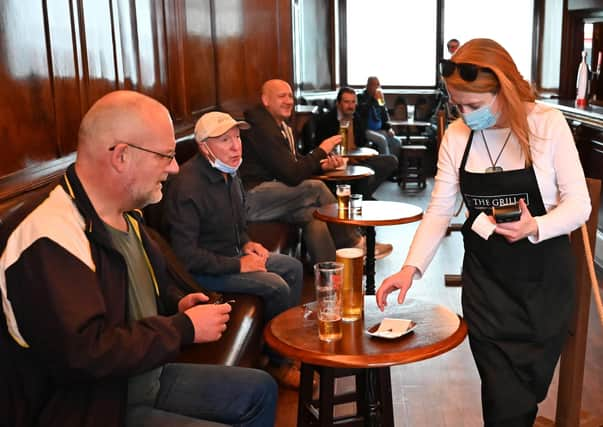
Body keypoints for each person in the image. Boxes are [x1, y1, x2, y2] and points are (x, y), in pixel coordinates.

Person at [0, 91, 277, 427]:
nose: (175, 168)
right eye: (166, 155)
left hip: (142, 375)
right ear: (122, 156)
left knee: (260, 388)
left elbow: (135, 295)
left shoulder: (128, 215)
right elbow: (85, 353)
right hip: (95, 406)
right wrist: (182, 328)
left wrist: (176, 304)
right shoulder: (47, 238)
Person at [376, 38, 591, 427]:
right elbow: (440, 209)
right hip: (487, 289)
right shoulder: (459, 136)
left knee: (523, 399)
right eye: (458, 105)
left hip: (543, 287)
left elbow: (580, 205)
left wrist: (535, 226)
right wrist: (410, 268)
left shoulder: (546, 124)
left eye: (474, 106)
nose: (464, 114)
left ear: (504, 89)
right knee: (501, 402)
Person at [162, 111, 304, 388]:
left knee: (293, 267)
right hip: (203, 272)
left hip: (232, 254)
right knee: (276, 286)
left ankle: (283, 345)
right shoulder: (187, 187)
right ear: (204, 147)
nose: (235, 146)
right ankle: (279, 363)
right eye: (225, 140)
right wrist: (240, 265)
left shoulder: (229, 170)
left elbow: (238, 223)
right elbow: (186, 257)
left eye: (237, 137)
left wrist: (248, 243)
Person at [240, 79, 392, 263]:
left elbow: (292, 163)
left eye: (290, 96)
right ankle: (354, 242)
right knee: (316, 188)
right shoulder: (262, 128)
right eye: (282, 96)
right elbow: (292, 174)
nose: (289, 101)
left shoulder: (279, 126)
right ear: (266, 100)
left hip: (272, 196)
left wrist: (321, 164)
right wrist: (322, 149)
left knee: (314, 215)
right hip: (252, 199)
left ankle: (332, 275)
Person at [314, 86, 398, 199]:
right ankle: (363, 197)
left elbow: (362, 142)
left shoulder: (357, 118)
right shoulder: (327, 120)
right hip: (337, 163)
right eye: (346, 102)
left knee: (391, 161)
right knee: (363, 175)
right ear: (338, 103)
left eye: (353, 102)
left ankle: (361, 196)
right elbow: (319, 148)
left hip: (357, 160)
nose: (350, 106)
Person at [356, 76, 400, 157]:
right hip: (365, 130)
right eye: (374, 85)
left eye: (378, 85)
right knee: (381, 140)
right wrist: (372, 99)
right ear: (368, 86)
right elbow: (361, 111)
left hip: (379, 130)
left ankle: (393, 166)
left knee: (396, 141)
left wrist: (389, 128)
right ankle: (386, 165)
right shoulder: (360, 97)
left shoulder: (379, 98)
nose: (377, 87)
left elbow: (384, 116)